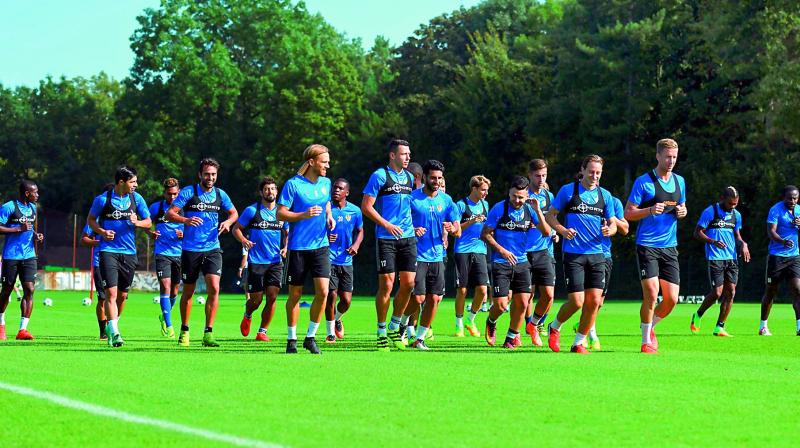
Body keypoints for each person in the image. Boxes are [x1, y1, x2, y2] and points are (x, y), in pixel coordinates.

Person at [545, 155, 617, 354]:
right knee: (577, 301)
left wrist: (610, 230)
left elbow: (613, 223)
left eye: (598, 173)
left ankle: (578, 342)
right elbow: (550, 216)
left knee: (594, 302)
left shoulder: (605, 196)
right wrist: (562, 230)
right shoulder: (568, 191)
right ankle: (555, 326)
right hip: (574, 254)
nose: (595, 176)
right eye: (591, 172)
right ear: (583, 170)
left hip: (597, 255)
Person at [624, 138, 688, 354]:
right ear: (658, 156)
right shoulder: (644, 182)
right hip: (647, 245)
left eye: (675, 157)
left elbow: (682, 206)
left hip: (670, 247)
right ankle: (645, 342)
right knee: (652, 294)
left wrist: (683, 212)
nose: (671, 161)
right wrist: (649, 210)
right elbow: (628, 213)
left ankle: (650, 327)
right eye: (667, 157)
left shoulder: (680, 181)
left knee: (671, 299)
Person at [167, 158, 238, 348]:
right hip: (190, 249)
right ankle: (184, 329)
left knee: (214, 288)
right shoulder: (189, 192)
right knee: (188, 291)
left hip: (213, 248)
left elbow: (234, 213)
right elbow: (170, 214)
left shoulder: (221, 194)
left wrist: (228, 223)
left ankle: (208, 333)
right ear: (200, 174)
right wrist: (185, 220)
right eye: (207, 174)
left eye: (213, 174)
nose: (210, 177)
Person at [277, 144, 336, 354]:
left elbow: (326, 202)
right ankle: (291, 339)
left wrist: (329, 216)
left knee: (324, 292)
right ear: (312, 162)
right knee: (295, 295)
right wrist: (303, 214)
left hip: (321, 246)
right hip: (298, 247)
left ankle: (310, 337)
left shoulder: (326, 183)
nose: (328, 165)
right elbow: (280, 214)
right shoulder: (293, 185)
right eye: (324, 161)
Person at [361, 139, 417, 351]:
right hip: (386, 237)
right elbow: (366, 206)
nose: (408, 158)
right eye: (404, 154)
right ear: (393, 155)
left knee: (409, 284)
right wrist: (387, 224)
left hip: (408, 237)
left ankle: (395, 325)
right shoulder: (379, 176)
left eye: (409, 154)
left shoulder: (410, 178)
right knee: (387, 284)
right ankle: (381, 330)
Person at [482, 176, 550, 349]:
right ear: (509, 193)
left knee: (522, 302)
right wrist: (502, 251)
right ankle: (491, 321)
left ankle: (510, 338)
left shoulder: (530, 210)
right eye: (514, 196)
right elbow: (485, 234)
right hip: (501, 262)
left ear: (527, 195)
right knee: (501, 305)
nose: (517, 200)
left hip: (522, 262)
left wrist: (538, 211)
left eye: (521, 197)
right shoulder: (499, 208)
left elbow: (546, 232)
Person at [88, 167, 151, 347]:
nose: (136, 185)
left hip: (129, 253)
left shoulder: (136, 199)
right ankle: (115, 332)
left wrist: (136, 222)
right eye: (133, 182)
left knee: (122, 296)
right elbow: (90, 220)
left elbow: (148, 222)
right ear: (121, 182)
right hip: (108, 252)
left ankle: (111, 324)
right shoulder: (102, 200)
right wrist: (101, 231)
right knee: (111, 293)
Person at [403, 160, 460, 350]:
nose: (436, 181)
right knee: (418, 298)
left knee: (434, 299)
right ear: (425, 177)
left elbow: (457, 230)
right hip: (417, 255)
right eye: (433, 178)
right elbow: (400, 225)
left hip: (438, 256)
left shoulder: (446, 200)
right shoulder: (412, 198)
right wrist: (412, 229)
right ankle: (402, 323)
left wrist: (452, 228)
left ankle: (419, 338)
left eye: (439, 178)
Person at [234, 176, 288, 343]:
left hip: (275, 262)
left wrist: (286, 247)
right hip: (256, 262)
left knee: (272, 297)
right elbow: (237, 229)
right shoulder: (252, 211)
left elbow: (288, 233)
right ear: (261, 192)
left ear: (276, 191)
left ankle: (262, 331)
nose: (269, 191)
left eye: (272, 189)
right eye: (266, 189)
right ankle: (248, 314)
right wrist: (244, 240)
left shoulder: (282, 212)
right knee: (256, 300)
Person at [690, 187, 750, 337]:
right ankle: (698, 315)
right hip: (715, 257)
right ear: (722, 198)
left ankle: (719, 327)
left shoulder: (736, 215)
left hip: (732, 257)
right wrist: (712, 241)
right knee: (717, 292)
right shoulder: (710, 211)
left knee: (731, 292)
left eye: (735, 204)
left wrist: (743, 244)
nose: (733, 206)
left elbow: (737, 235)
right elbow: (697, 232)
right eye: (730, 203)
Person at [0, 180, 44, 341]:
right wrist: (18, 229)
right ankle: (1, 324)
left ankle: (22, 330)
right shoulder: (9, 207)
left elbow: (30, 228)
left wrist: (35, 236)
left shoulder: (32, 208)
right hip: (11, 255)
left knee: (29, 289)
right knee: (6, 290)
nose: (37, 195)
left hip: (29, 255)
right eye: (35, 192)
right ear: (27, 193)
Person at [324, 178, 363, 343]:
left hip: (346, 260)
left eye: (340, 188)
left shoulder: (355, 211)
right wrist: (326, 236)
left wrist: (356, 245)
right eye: (334, 188)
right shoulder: (326, 209)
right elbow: (315, 229)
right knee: (331, 295)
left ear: (347, 192)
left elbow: (361, 231)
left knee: (346, 301)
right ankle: (330, 333)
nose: (336, 191)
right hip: (328, 258)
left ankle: (337, 318)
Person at [524, 159, 558, 346]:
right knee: (526, 295)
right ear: (529, 175)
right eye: (537, 175)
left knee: (549, 295)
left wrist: (554, 233)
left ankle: (534, 324)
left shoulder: (549, 196)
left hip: (545, 250)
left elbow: (552, 219)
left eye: (544, 175)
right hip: (524, 251)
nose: (541, 179)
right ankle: (522, 328)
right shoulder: (522, 195)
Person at [453, 175, 491, 338]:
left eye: (487, 190)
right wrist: (472, 221)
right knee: (462, 290)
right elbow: (455, 230)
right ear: (474, 188)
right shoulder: (461, 205)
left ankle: (471, 319)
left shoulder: (485, 205)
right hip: (462, 250)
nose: (485, 193)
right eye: (483, 190)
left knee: (482, 290)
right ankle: (459, 324)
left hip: (480, 250)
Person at [759, 185, 800, 336]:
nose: (793, 200)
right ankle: (763, 326)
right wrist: (782, 242)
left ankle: (799, 326)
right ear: (784, 197)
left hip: (794, 257)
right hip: (777, 257)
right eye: (790, 198)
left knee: (798, 290)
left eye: (795, 198)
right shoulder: (775, 210)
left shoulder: (799, 210)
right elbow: (771, 232)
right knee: (771, 291)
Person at [148, 178, 184, 339]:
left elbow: (195, 227)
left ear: (179, 193)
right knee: (166, 285)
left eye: (175, 194)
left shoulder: (185, 209)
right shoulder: (156, 208)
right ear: (164, 193)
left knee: (175, 289)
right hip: (162, 253)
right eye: (169, 194)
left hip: (180, 253)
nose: (172, 197)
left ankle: (164, 315)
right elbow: (145, 223)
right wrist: (150, 233)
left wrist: (184, 234)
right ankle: (169, 326)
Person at [81, 222, 107, 340]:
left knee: (120, 296)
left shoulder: (123, 214)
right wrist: (99, 242)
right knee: (102, 298)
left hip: (121, 261)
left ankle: (113, 325)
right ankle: (103, 332)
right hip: (99, 263)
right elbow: (84, 239)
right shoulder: (95, 219)